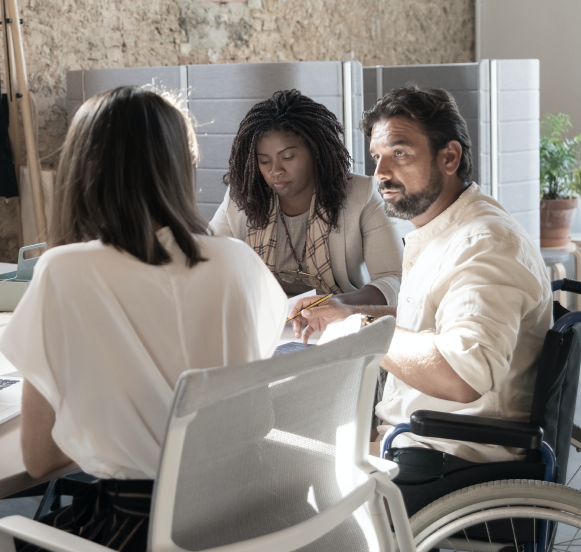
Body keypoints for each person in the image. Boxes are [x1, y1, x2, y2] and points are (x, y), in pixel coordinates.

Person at [0, 87, 287, 552]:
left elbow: (38, 457)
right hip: (250, 517)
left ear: (82, 169)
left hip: (143, 530)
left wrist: (116, 431)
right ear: (181, 166)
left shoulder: (65, 271)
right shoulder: (238, 261)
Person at [293, 84, 552, 463]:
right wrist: (348, 312)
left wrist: (361, 331)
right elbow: (434, 320)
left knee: (288, 470)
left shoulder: (485, 242)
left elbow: (463, 375)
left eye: (399, 153)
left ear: (450, 157)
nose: (380, 173)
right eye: (377, 157)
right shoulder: (449, 229)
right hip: (418, 440)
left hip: (451, 456)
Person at [210, 89, 403, 313]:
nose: (275, 170)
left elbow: (394, 279)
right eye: (264, 161)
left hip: (337, 320)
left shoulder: (361, 195)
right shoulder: (242, 198)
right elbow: (208, 265)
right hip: (264, 320)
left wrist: (337, 304)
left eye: (288, 157)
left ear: (315, 151)